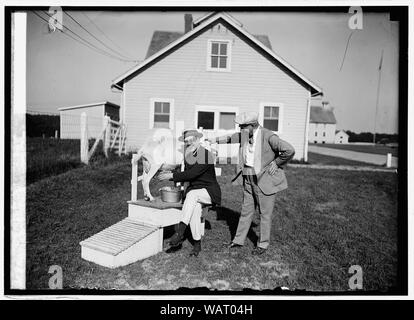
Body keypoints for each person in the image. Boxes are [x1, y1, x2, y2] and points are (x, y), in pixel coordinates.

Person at [210, 112, 295, 255]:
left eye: (242, 126)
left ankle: (262, 244)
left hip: (265, 179)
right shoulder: (244, 134)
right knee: (246, 210)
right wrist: (213, 140)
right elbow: (231, 138)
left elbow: (289, 150)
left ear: (252, 125)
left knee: (264, 214)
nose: (240, 129)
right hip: (248, 177)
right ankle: (238, 241)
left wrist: (277, 162)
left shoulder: (269, 136)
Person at [158, 129, 221, 257]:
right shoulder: (189, 156)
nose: (189, 143)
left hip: (209, 192)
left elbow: (192, 174)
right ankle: (197, 245)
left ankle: (179, 233)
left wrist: (171, 175)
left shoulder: (205, 154)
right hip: (195, 193)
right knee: (195, 210)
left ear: (198, 140)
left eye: (192, 141)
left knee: (192, 195)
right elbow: (187, 176)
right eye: (187, 142)